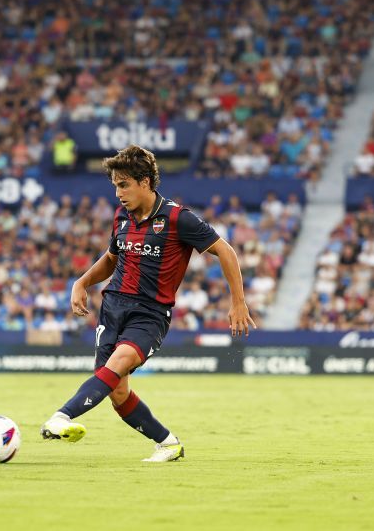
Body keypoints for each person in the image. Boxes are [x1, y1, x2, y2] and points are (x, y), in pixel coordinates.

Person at [41, 145, 256, 462]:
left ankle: (61, 416)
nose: (118, 193)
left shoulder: (178, 218)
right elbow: (113, 259)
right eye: (115, 185)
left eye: (123, 184)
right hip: (112, 308)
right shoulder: (122, 218)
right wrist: (82, 281)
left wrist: (238, 302)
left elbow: (226, 251)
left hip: (150, 314)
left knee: (116, 366)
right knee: (117, 391)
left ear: (145, 182)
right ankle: (169, 443)